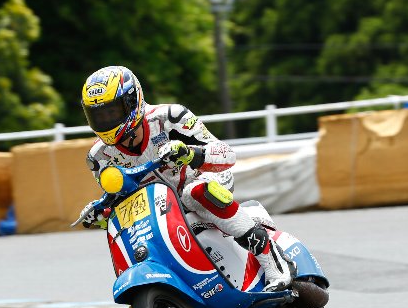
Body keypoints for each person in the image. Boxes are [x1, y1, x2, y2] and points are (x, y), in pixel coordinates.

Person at [78, 65, 295, 291]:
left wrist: (190, 153)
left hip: (204, 179)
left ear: (133, 101)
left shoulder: (170, 117)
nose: (106, 121)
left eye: (112, 112)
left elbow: (227, 154)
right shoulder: (98, 157)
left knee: (194, 193)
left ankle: (274, 261)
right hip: (161, 206)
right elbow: (121, 198)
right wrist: (103, 213)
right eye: (99, 116)